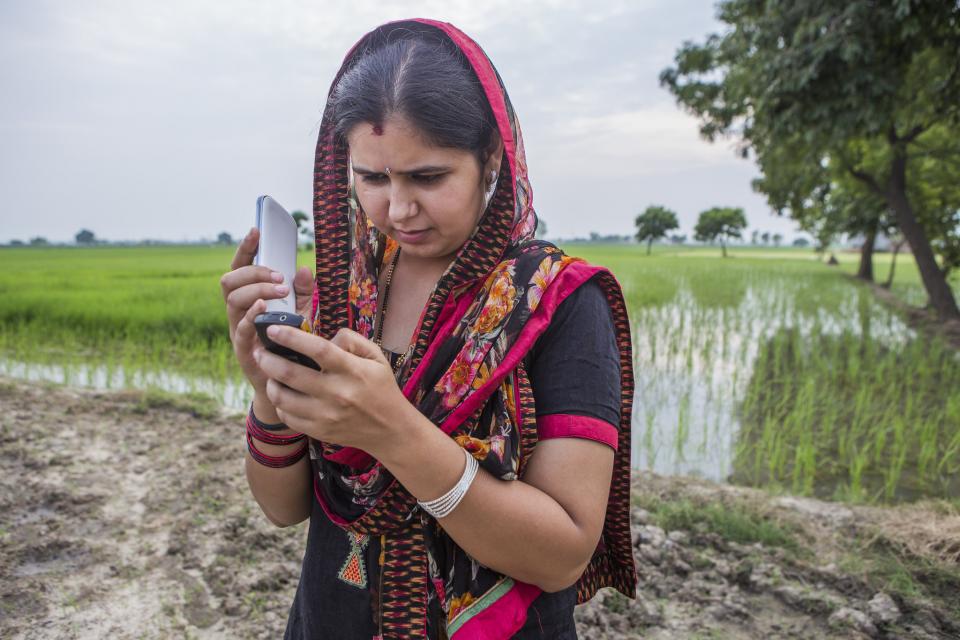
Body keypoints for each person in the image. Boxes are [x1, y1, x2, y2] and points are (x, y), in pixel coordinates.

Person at [219, 18, 636, 640]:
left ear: (491, 158)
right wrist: (266, 386)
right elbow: (283, 509)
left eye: (428, 177)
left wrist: (392, 431)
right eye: (373, 178)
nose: (398, 209)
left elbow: (563, 555)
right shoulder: (345, 292)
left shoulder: (559, 303)